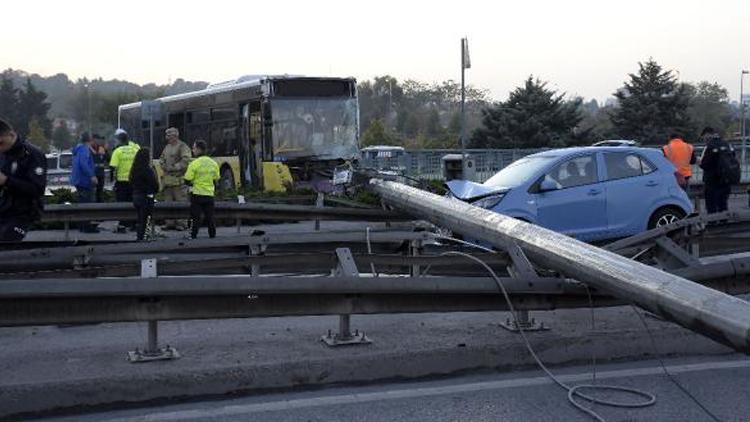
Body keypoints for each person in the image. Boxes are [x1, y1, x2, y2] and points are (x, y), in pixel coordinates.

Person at [0, 117, 47, 241]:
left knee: (6, 243)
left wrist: (6, 181)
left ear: (11, 134)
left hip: (24, 212)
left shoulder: (33, 154)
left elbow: (37, 189)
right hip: (4, 208)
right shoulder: (3, 154)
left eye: (1, 143)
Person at [184, 140, 220, 239]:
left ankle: (192, 235)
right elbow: (216, 179)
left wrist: (192, 184)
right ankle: (212, 235)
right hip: (209, 195)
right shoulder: (213, 163)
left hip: (197, 194)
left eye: (194, 148)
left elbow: (187, 179)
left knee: (195, 217)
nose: (192, 150)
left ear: (199, 149)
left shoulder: (194, 163)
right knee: (210, 217)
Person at [158, 127, 191, 230]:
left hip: (178, 180)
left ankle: (182, 223)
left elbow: (186, 160)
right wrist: (163, 165)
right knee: (168, 203)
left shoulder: (182, 146)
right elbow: (162, 158)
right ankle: (169, 223)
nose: (167, 138)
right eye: (167, 136)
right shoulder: (167, 147)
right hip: (167, 181)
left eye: (169, 136)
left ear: (175, 136)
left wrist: (175, 167)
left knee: (180, 202)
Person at [698, 127, 733, 214]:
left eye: (703, 138)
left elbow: (705, 165)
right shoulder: (727, 144)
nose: (704, 140)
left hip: (712, 181)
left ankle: (712, 225)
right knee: (723, 204)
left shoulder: (709, 146)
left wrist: (699, 162)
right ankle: (724, 224)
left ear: (707, 135)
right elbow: (733, 158)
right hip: (725, 180)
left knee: (711, 206)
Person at [71, 132, 99, 232]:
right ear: (90, 140)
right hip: (84, 180)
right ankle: (86, 226)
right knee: (87, 203)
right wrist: (92, 176)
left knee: (82, 202)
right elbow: (83, 164)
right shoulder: (84, 150)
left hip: (78, 179)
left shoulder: (78, 149)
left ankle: (82, 226)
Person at [130, 148, 159, 241]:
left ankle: (140, 236)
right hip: (146, 197)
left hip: (136, 196)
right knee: (145, 219)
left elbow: (131, 181)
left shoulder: (134, 169)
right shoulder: (147, 170)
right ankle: (143, 237)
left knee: (140, 218)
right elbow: (154, 184)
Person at [109, 128, 140, 203]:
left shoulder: (117, 151)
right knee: (133, 203)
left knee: (121, 203)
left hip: (121, 182)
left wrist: (111, 181)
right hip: (134, 181)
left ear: (119, 140)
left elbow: (112, 167)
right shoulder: (135, 149)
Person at [91, 134, 109, 203]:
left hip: (101, 174)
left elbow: (108, 159)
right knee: (93, 192)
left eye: (98, 140)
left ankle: (100, 205)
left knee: (100, 192)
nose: (97, 141)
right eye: (96, 140)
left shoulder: (102, 148)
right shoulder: (90, 148)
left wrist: (106, 151)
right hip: (93, 174)